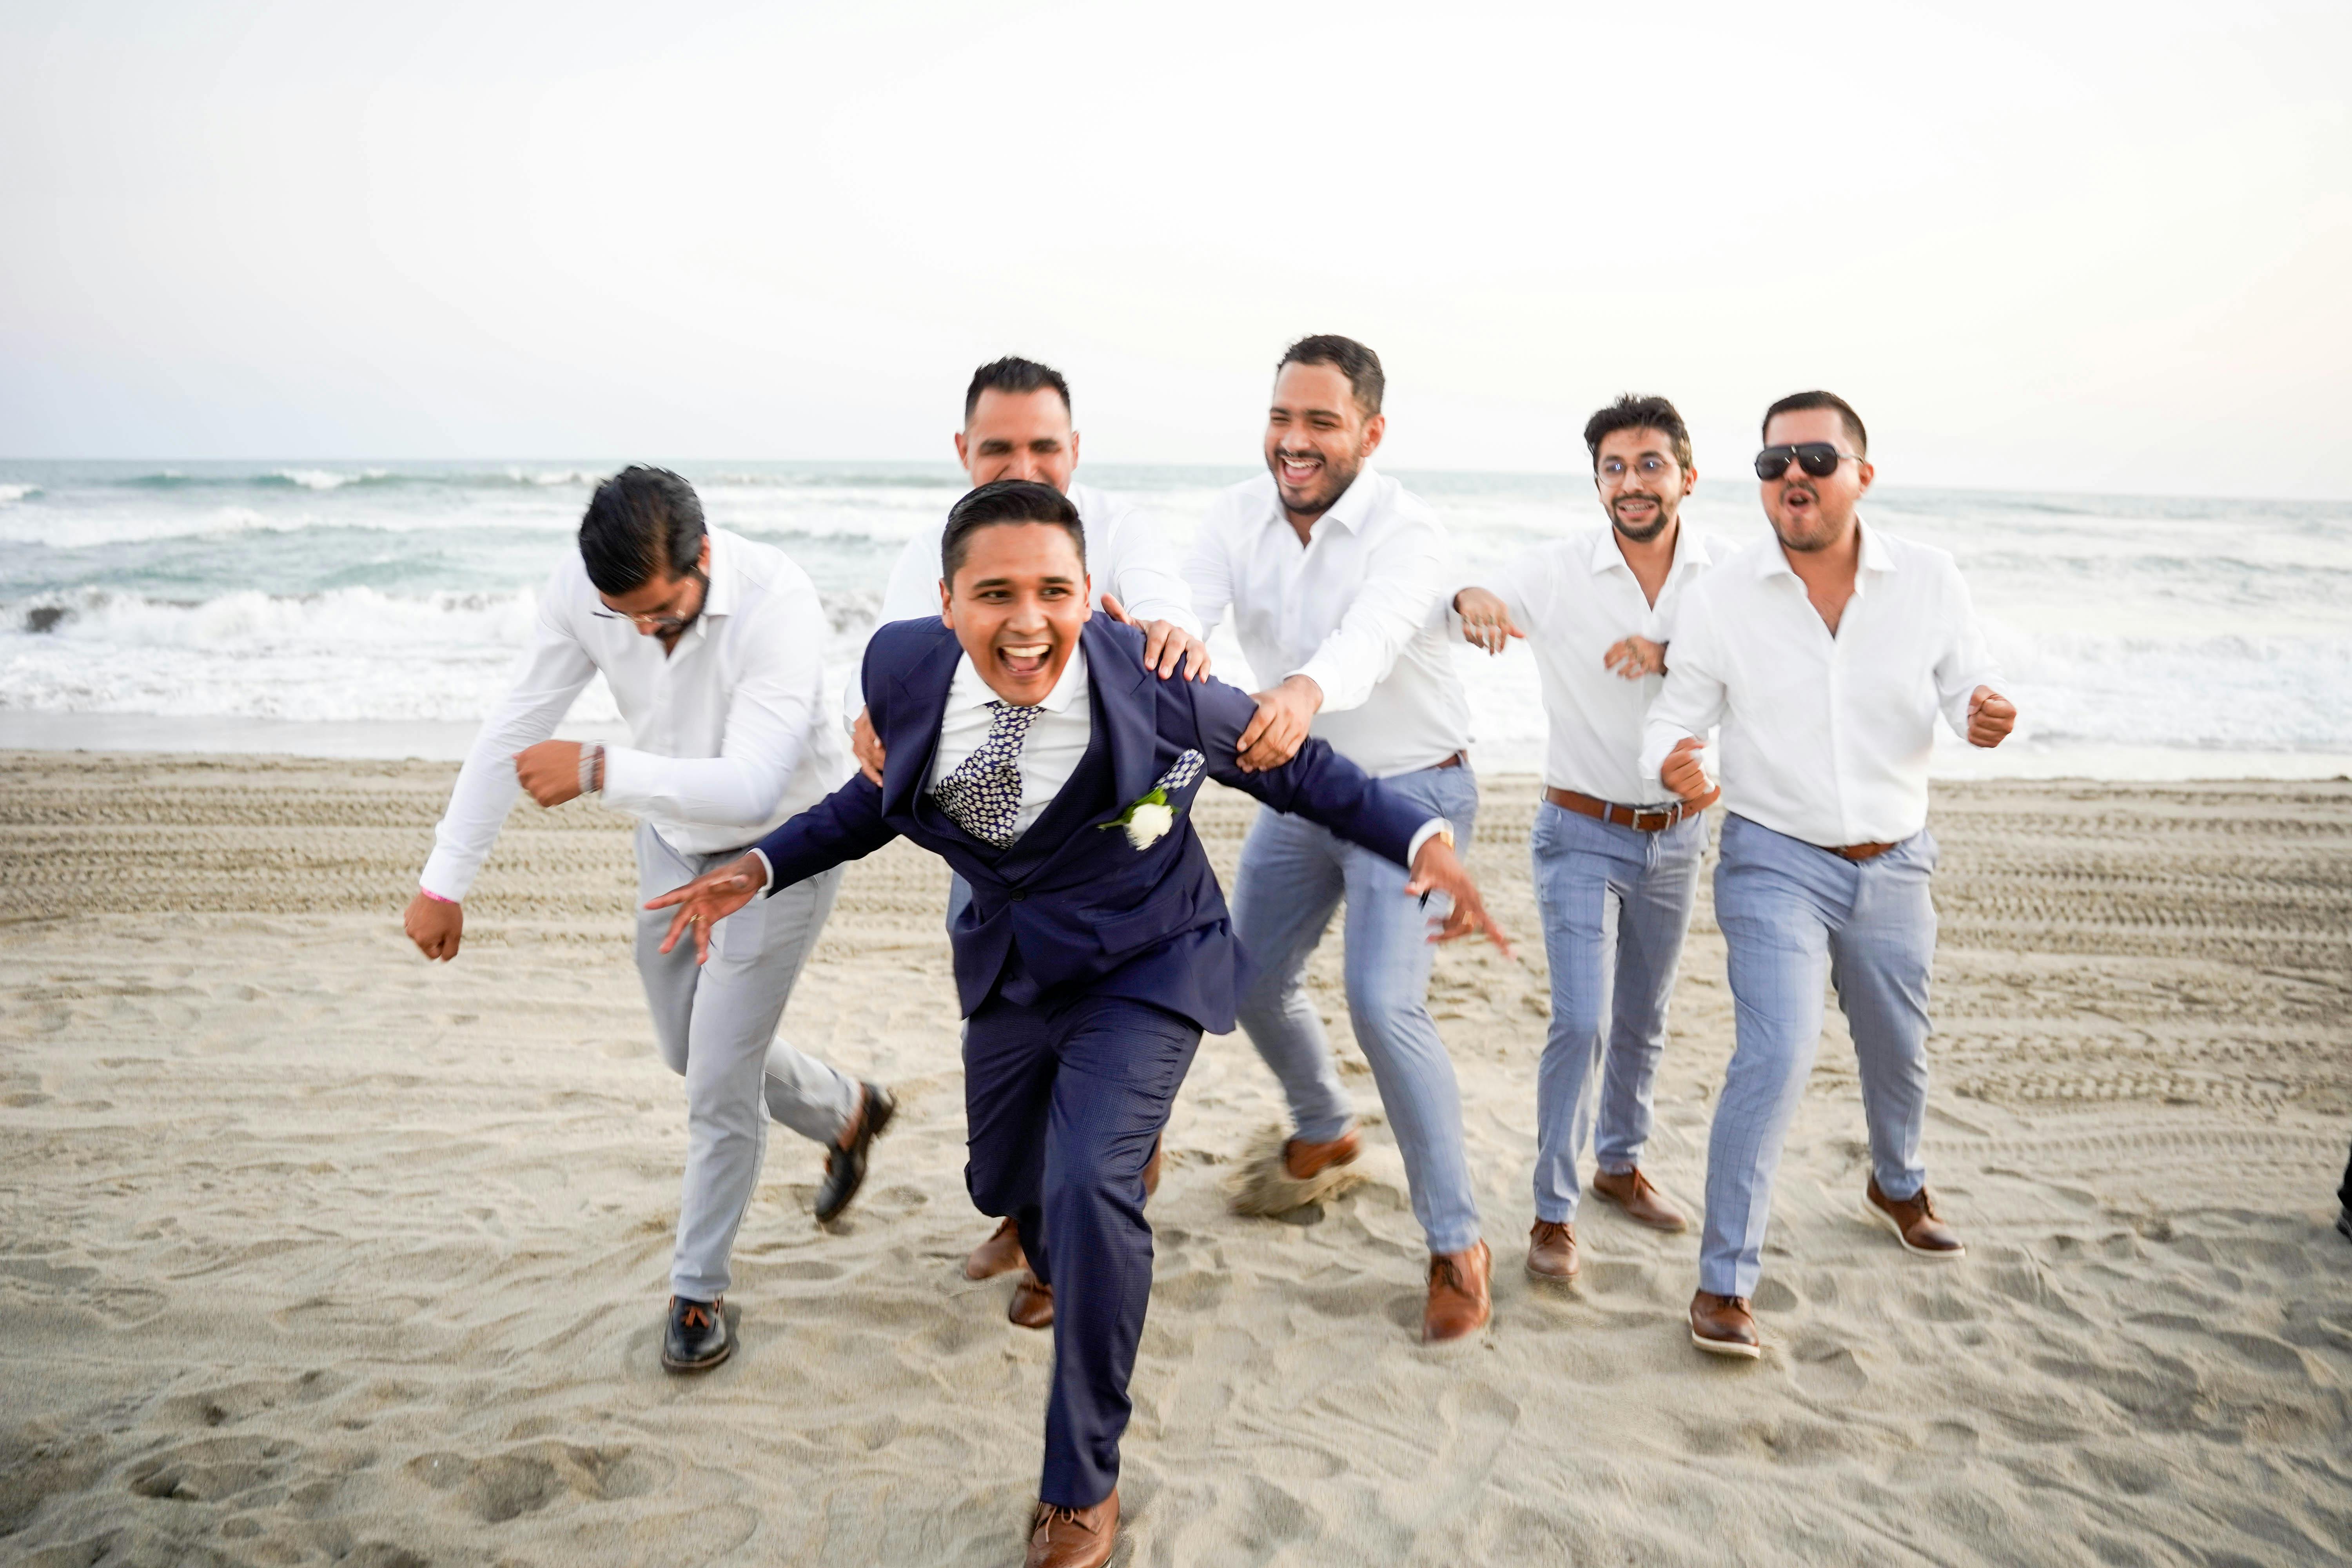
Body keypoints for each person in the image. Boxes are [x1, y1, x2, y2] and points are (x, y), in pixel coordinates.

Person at [647, 480, 1507, 1568]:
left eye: (1056, 590)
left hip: (1148, 961)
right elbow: (884, 799)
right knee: (1004, 1181)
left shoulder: (1158, 686)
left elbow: (1309, 774)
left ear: (1090, 595)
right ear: (946, 601)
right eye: (995, 593)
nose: (1028, 618)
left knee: (1092, 1178)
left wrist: (1422, 844)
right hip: (1012, 973)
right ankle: (1061, 1215)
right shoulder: (902, 671)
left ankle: (1081, 1485)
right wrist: (764, 864)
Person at [401, 466, 893, 1376]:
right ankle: (847, 1108)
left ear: (704, 558)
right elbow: (515, 726)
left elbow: (750, 780)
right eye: (622, 617)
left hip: (776, 851)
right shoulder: (586, 595)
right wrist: (446, 877)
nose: (643, 635)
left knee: (717, 1082)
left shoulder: (777, 599)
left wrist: (597, 768)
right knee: (687, 1047)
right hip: (671, 844)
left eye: (660, 613)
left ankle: (697, 1293)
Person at [1639, 392, 2018, 1357]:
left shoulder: (1929, 579)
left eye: (1814, 456)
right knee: (1775, 1055)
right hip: (1773, 860)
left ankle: (1897, 1180)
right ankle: (1724, 1282)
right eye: (1773, 463)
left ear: (1862, 471)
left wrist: (1981, 711)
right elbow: (1674, 713)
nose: (1792, 475)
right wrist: (1676, 758)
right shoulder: (1722, 595)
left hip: (1896, 862)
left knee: (1899, 1047)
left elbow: (1964, 683)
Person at [846, 355, 1208, 1296]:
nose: (1023, 467)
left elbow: (1169, 614)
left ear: (1075, 450)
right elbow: (889, 673)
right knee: (1008, 1011)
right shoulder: (936, 545)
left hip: (1112, 837)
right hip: (990, 829)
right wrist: (871, 719)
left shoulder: (1119, 528)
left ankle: (1081, 1213)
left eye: (1044, 447)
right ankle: (1025, 1211)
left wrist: (1159, 630)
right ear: (963, 450)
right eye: (998, 447)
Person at [1184, 334, 1493, 1342]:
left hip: (1410, 793)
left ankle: (1456, 1243)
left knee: (1380, 1001)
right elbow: (1181, 619)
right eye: (1283, 417)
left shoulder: (1411, 531)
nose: (1296, 441)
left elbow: (1367, 641)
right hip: (1302, 789)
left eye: (1321, 421)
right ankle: (1323, 1125)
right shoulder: (1232, 517)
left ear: (1370, 430)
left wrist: (1300, 691)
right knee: (1239, 981)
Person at [1450, 394, 1722, 1281]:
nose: (1632, 482)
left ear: (1686, 474)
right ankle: (1551, 1213)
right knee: (1581, 1019)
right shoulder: (1561, 570)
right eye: (1614, 466)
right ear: (1597, 480)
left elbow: (1774, 665)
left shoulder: (1724, 575)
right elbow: (1475, 599)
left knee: (1644, 1017)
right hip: (1578, 829)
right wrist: (1473, 595)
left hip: (1678, 836)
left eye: (1650, 464)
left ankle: (1619, 1164)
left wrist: (1670, 652)